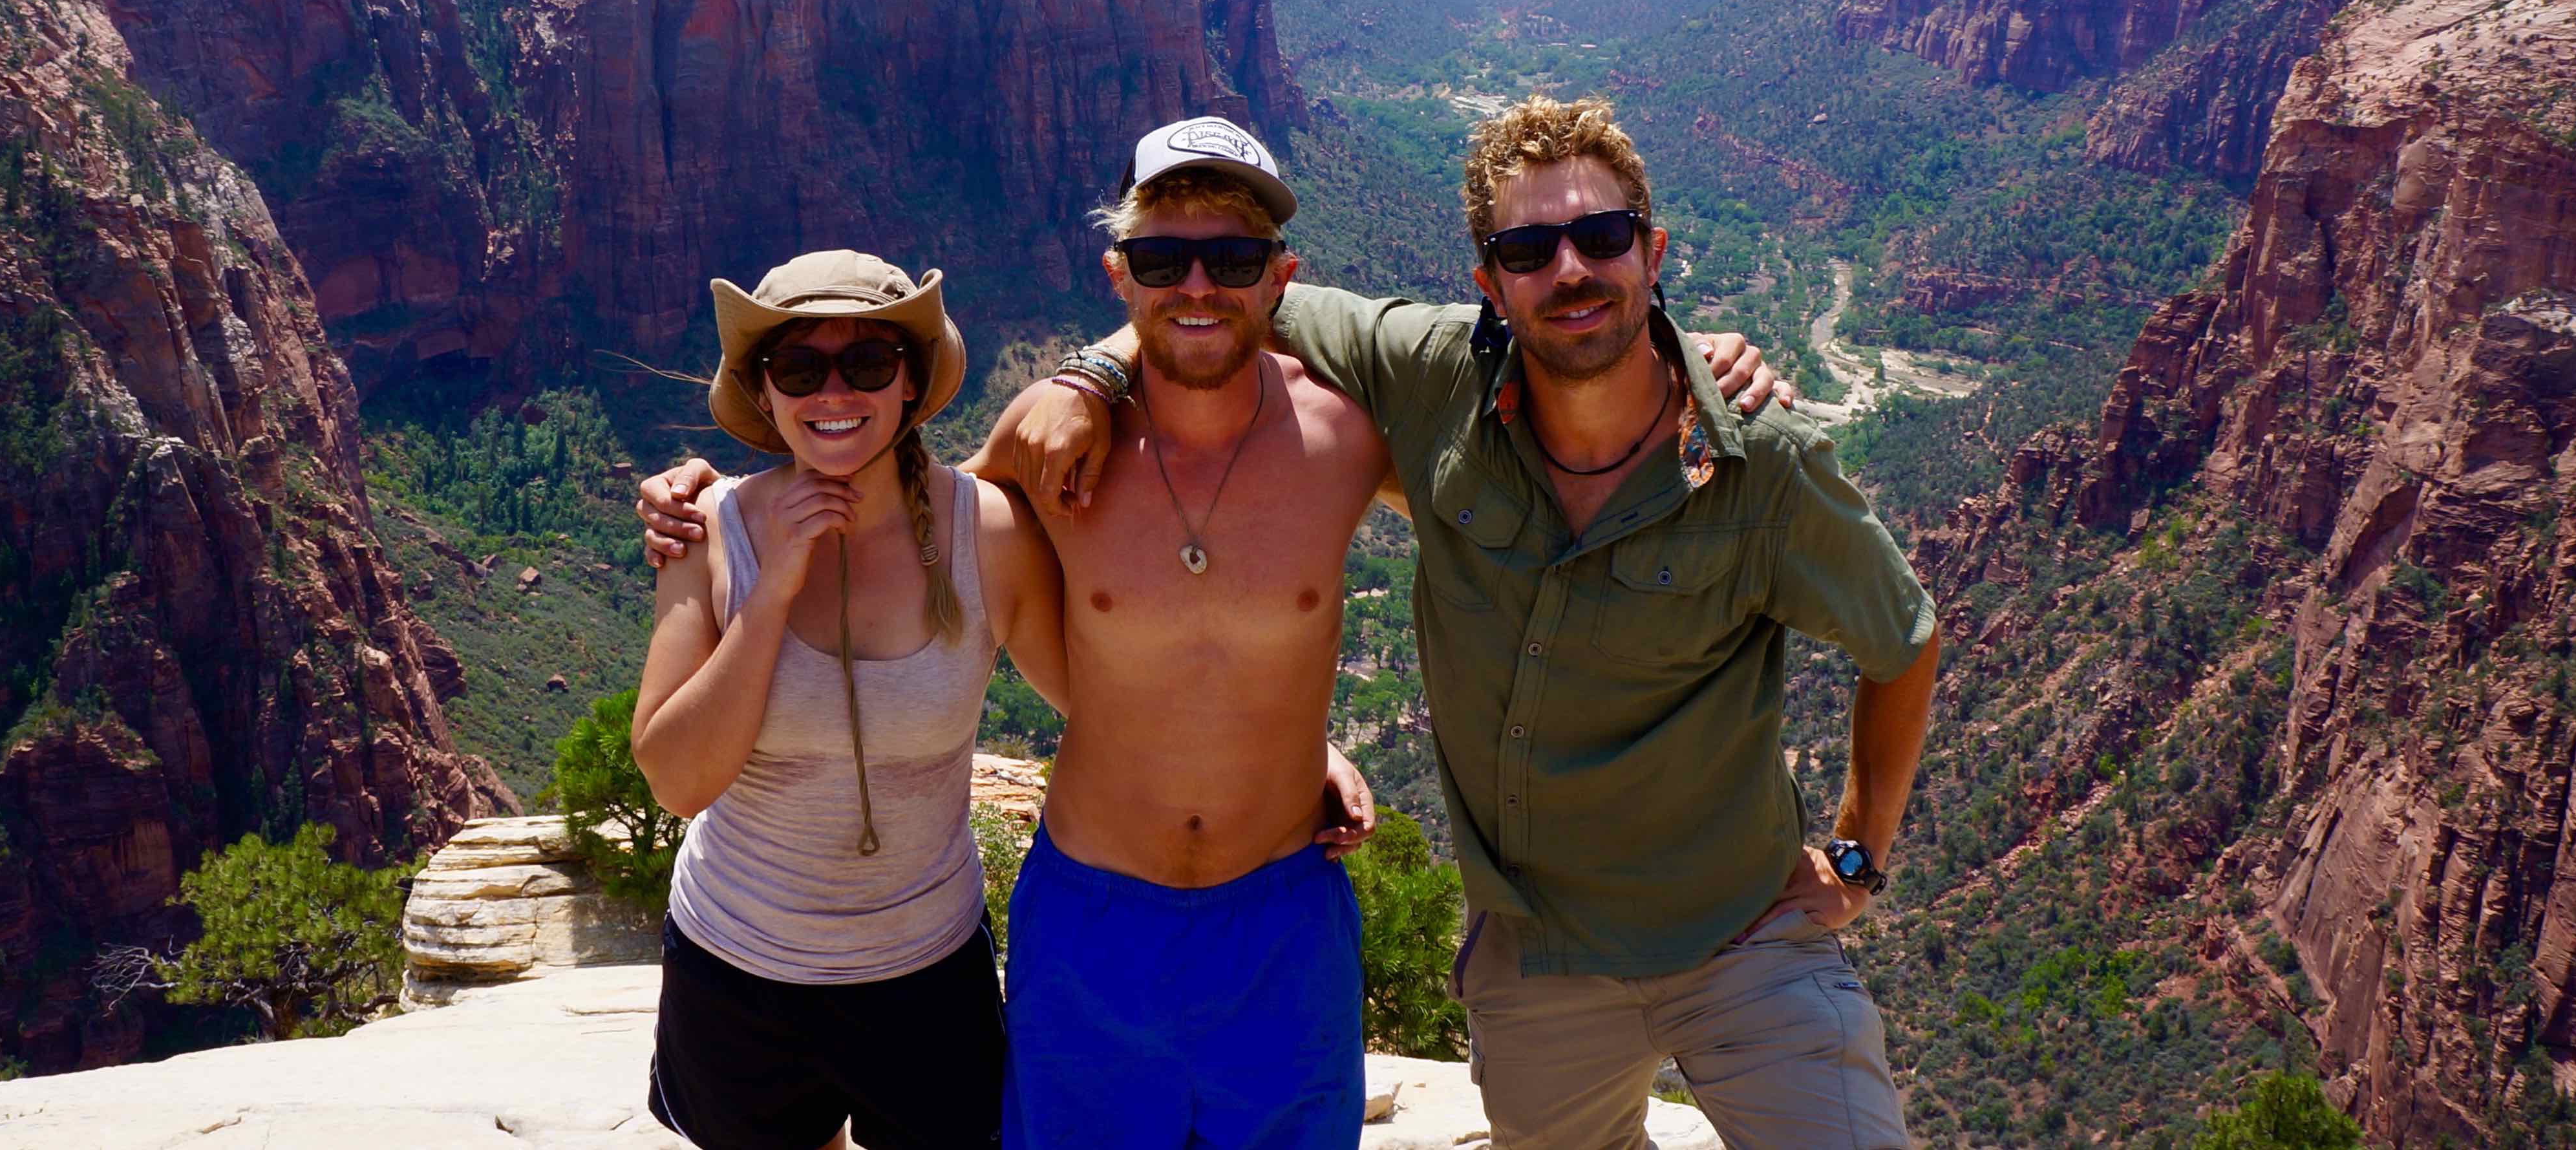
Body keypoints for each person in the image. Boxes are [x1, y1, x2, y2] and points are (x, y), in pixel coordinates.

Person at [636, 120, 1786, 1150]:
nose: (1197, 286)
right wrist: (712, 512)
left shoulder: (1349, 440)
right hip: (1090, 916)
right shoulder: (1041, 448)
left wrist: (1684, 356)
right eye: (1161, 260)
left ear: (1280, 277)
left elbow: (1548, 434)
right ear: (1118, 277)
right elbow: (890, 494)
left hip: (1283, 914)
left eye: (1232, 260)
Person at [1001, 98, 1941, 1150]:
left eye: (1603, 236)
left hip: (1744, 934)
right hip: (1537, 962)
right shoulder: (1431, 376)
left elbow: (1902, 643)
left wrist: (1858, 858)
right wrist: (1089, 373)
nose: (1572, 269)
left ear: (1654, 251)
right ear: (1490, 281)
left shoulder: (1764, 460)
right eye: (1530, 248)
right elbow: (1198, 310)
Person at [627, 251, 1068, 1150]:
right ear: (764, 391)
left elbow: (1102, 706)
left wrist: (1301, 754)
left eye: (868, 364)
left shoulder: (988, 534)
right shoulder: (706, 533)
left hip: (924, 965)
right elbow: (677, 779)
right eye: (800, 368)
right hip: (736, 965)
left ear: (910, 384)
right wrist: (773, 589)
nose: (835, 392)